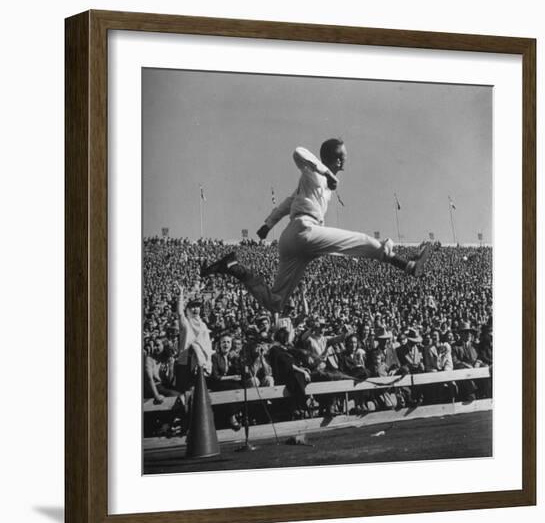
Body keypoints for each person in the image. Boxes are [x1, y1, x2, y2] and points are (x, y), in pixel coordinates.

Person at [200, 139, 433, 314]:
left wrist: (268, 224)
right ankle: (409, 265)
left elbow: (287, 203)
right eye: (342, 156)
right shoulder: (315, 174)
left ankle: (234, 267)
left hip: (292, 240)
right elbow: (298, 152)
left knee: (276, 303)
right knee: (363, 241)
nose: (345, 160)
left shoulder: (314, 184)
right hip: (304, 232)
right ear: (334, 159)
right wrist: (326, 172)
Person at [173, 281, 213, 393]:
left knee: (200, 394)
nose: (195, 309)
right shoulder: (185, 323)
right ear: (188, 309)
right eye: (193, 307)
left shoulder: (203, 325)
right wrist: (180, 294)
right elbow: (180, 313)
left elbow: (207, 344)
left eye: (197, 307)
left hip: (201, 364)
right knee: (186, 393)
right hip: (185, 362)